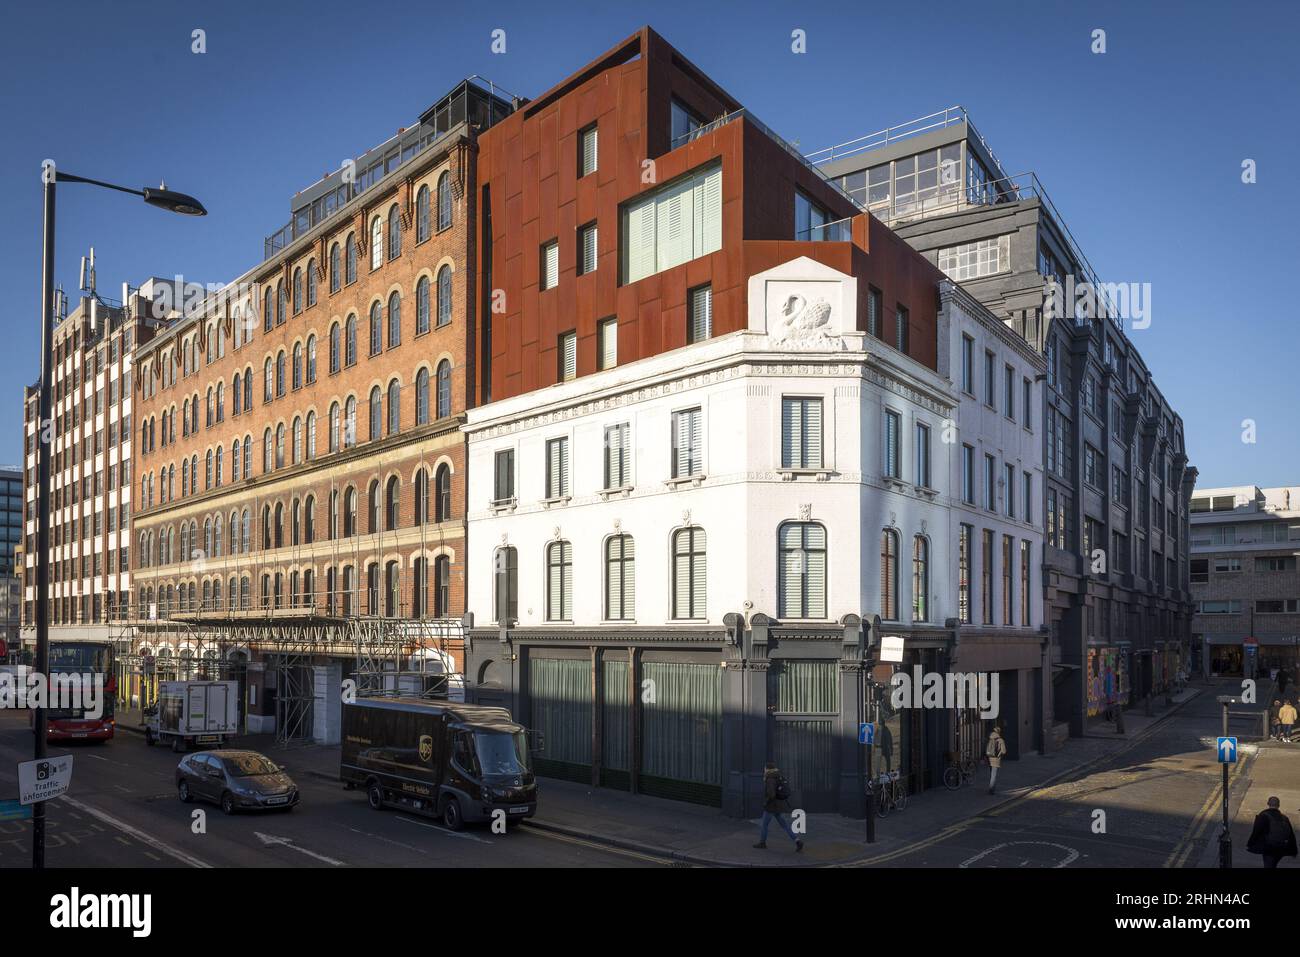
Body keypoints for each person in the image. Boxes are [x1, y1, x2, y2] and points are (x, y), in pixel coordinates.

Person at [753, 762, 803, 852]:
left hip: (771, 806)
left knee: (764, 825)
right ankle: (797, 841)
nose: (764, 770)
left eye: (765, 768)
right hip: (779, 805)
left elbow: (771, 794)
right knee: (785, 825)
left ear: (767, 769)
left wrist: (766, 802)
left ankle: (762, 843)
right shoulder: (778, 776)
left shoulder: (770, 778)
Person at [1246, 797, 1297, 868]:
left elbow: (1256, 831)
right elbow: (1291, 835)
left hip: (1269, 847)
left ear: (1268, 803)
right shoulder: (1284, 818)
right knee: (1273, 864)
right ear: (1278, 805)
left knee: (1269, 864)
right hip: (1281, 847)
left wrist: (1250, 843)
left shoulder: (1264, 815)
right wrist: (1294, 850)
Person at [985, 726, 1007, 795]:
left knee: (991, 774)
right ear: (999, 732)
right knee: (993, 775)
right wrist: (1000, 753)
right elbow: (1004, 751)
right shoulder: (1000, 740)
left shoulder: (990, 738)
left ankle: (992, 787)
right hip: (996, 760)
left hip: (989, 758)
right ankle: (991, 790)